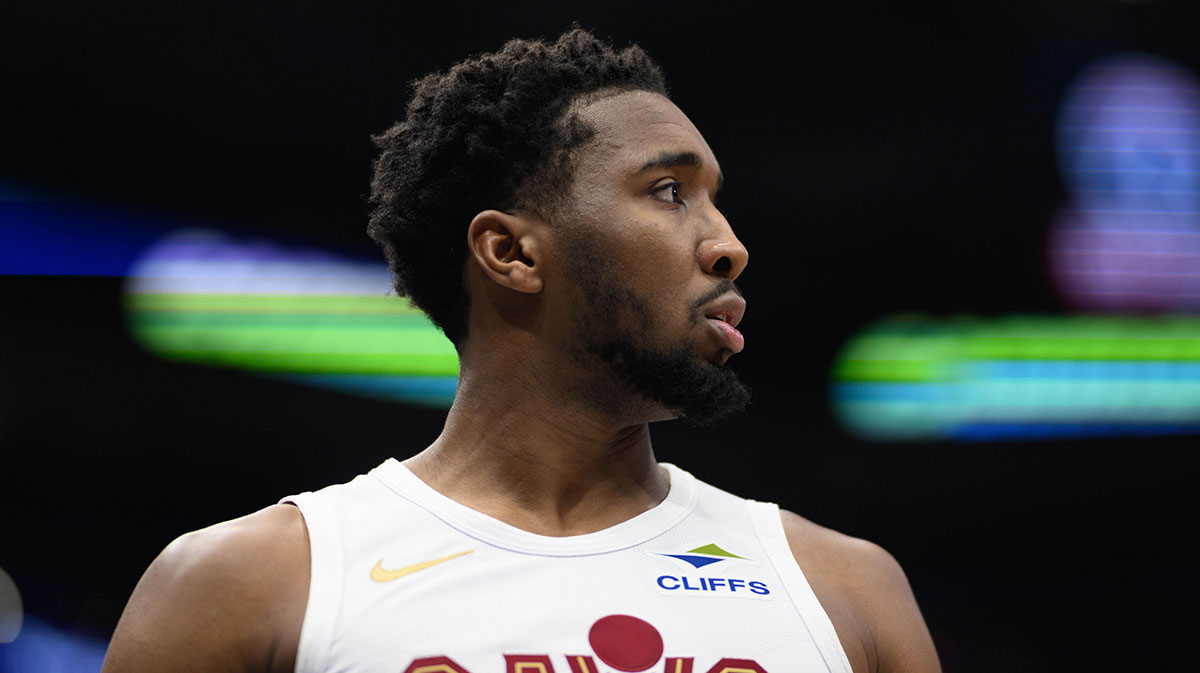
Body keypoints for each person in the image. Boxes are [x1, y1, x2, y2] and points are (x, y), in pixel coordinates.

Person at [102, 28, 940, 673]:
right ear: (511, 253)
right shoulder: (248, 582)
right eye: (670, 191)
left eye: (717, 201)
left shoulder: (847, 591)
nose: (728, 245)